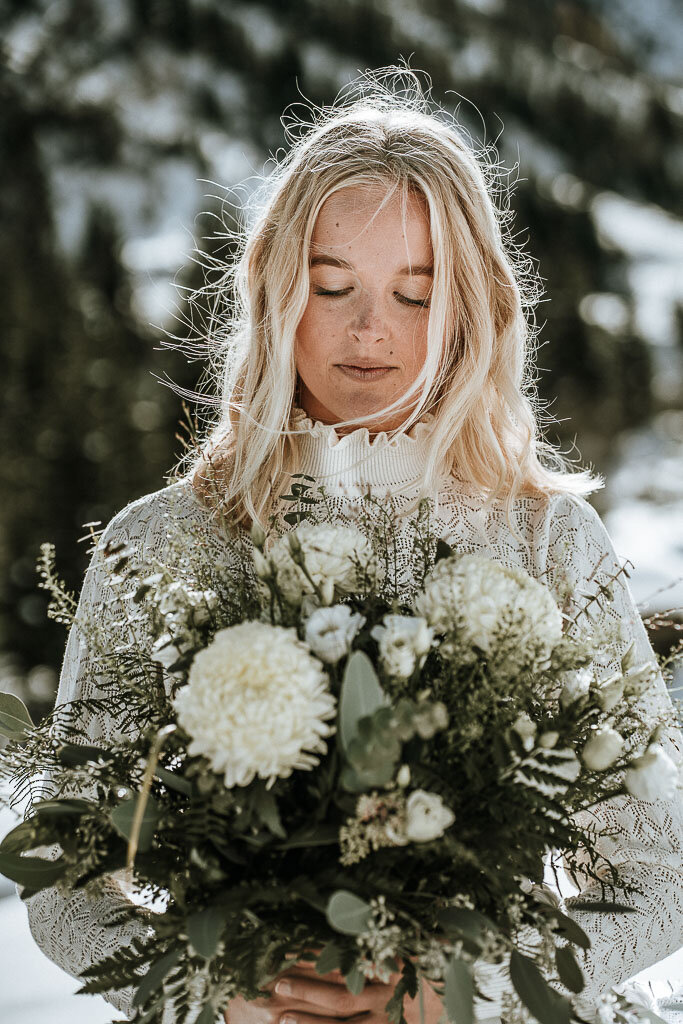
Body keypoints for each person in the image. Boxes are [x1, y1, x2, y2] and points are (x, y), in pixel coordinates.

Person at [21, 69, 683, 1024]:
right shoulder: (159, 544)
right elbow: (61, 873)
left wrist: (480, 979)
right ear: (276, 290)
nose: (370, 329)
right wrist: (203, 982)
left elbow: (659, 872)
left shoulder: (548, 542)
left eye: (415, 295)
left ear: (470, 310)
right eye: (333, 285)